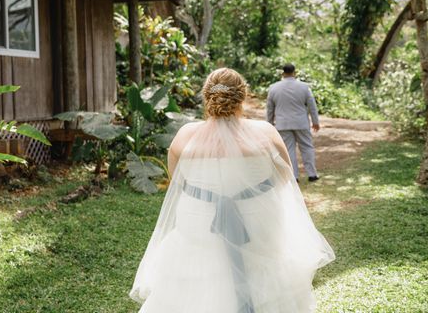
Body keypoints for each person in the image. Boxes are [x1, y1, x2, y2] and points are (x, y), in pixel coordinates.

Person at [130, 68, 335, 313]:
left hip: (199, 222)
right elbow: (285, 179)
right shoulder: (265, 132)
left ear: (207, 97)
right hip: (258, 221)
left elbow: (178, 182)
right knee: (267, 268)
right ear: (243, 96)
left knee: (197, 271)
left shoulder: (186, 135)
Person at [266, 63, 321, 182]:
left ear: (282, 73)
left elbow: (270, 109)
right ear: (294, 73)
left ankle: (294, 176)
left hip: (283, 124)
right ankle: (312, 174)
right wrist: (315, 121)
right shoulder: (304, 87)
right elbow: (312, 105)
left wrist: (269, 124)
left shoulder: (274, 88)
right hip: (301, 122)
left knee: (288, 149)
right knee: (307, 147)